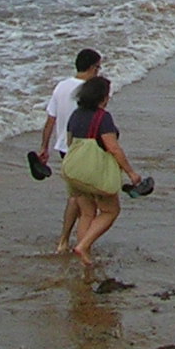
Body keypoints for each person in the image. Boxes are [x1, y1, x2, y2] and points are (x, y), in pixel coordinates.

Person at [62, 76, 145, 268]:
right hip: (94, 173)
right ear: (102, 98)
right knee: (110, 210)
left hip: (73, 171)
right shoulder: (102, 117)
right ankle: (83, 246)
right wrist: (131, 173)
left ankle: (84, 256)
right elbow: (113, 148)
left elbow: (69, 143)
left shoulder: (76, 115)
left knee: (87, 213)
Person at [37, 48, 103, 253]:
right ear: (92, 67)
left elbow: (50, 120)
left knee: (76, 195)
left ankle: (65, 241)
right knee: (86, 201)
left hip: (64, 148)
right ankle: (81, 245)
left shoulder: (61, 86)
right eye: (98, 67)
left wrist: (44, 147)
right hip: (85, 149)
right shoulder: (91, 90)